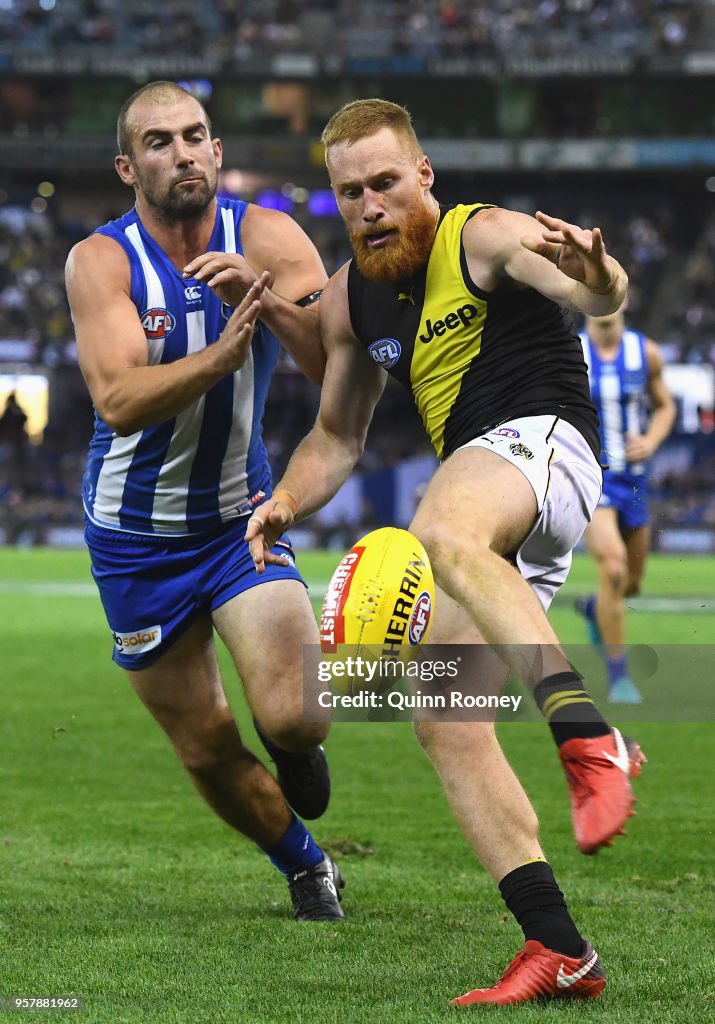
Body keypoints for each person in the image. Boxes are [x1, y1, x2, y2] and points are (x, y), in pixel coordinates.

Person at [245, 99, 646, 1004]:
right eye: (349, 194)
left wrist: (601, 274)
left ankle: (592, 739)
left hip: (544, 445)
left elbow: (592, 294)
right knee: (442, 716)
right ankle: (558, 949)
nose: (370, 205)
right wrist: (286, 500)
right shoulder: (352, 297)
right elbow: (337, 436)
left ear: (422, 175)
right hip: (496, 503)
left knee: (440, 529)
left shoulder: (485, 234)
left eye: (385, 182)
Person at [64, 81, 346, 922]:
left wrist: (252, 301)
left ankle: (291, 744)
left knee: (296, 717)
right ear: (128, 166)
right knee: (206, 744)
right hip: (134, 538)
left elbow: (338, 373)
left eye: (195, 137)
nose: (182, 152)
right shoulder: (101, 260)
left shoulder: (267, 235)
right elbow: (116, 398)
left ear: (217, 153)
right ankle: (305, 864)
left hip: (236, 517)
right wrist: (221, 358)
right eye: (159, 142)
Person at [576, 307, 676, 703]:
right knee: (613, 567)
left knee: (630, 583)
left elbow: (664, 405)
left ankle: (593, 610)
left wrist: (650, 441)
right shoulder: (569, 352)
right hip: (591, 476)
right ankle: (619, 678)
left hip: (633, 479)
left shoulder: (645, 352)